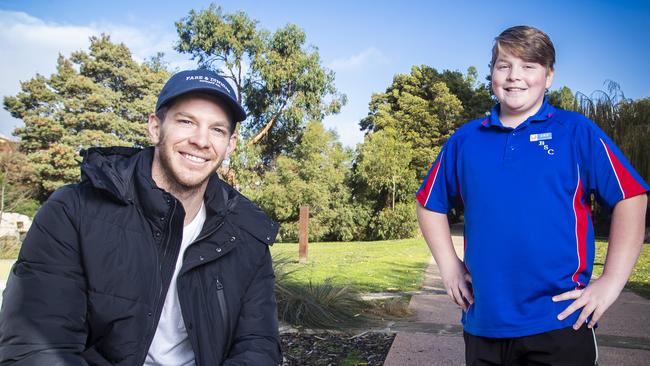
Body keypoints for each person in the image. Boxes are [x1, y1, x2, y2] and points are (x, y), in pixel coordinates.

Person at [0, 69, 282, 365]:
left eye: (217, 130)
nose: (201, 140)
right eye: (186, 121)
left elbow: (257, 345)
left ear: (230, 145)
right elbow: (36, 347)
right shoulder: (73, 211)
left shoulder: (247, 233)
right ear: (155, 127)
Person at [416, 26, 648, 365]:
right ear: (492, 72)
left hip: (560, 321)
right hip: (485, 323)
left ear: (549, 75)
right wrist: (449, 267)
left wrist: (611, 281)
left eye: (529, 66)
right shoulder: (466, 140)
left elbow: (631, 196)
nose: (514, 76)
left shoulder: (574, 131)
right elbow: (429, 203)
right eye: (504, 65)